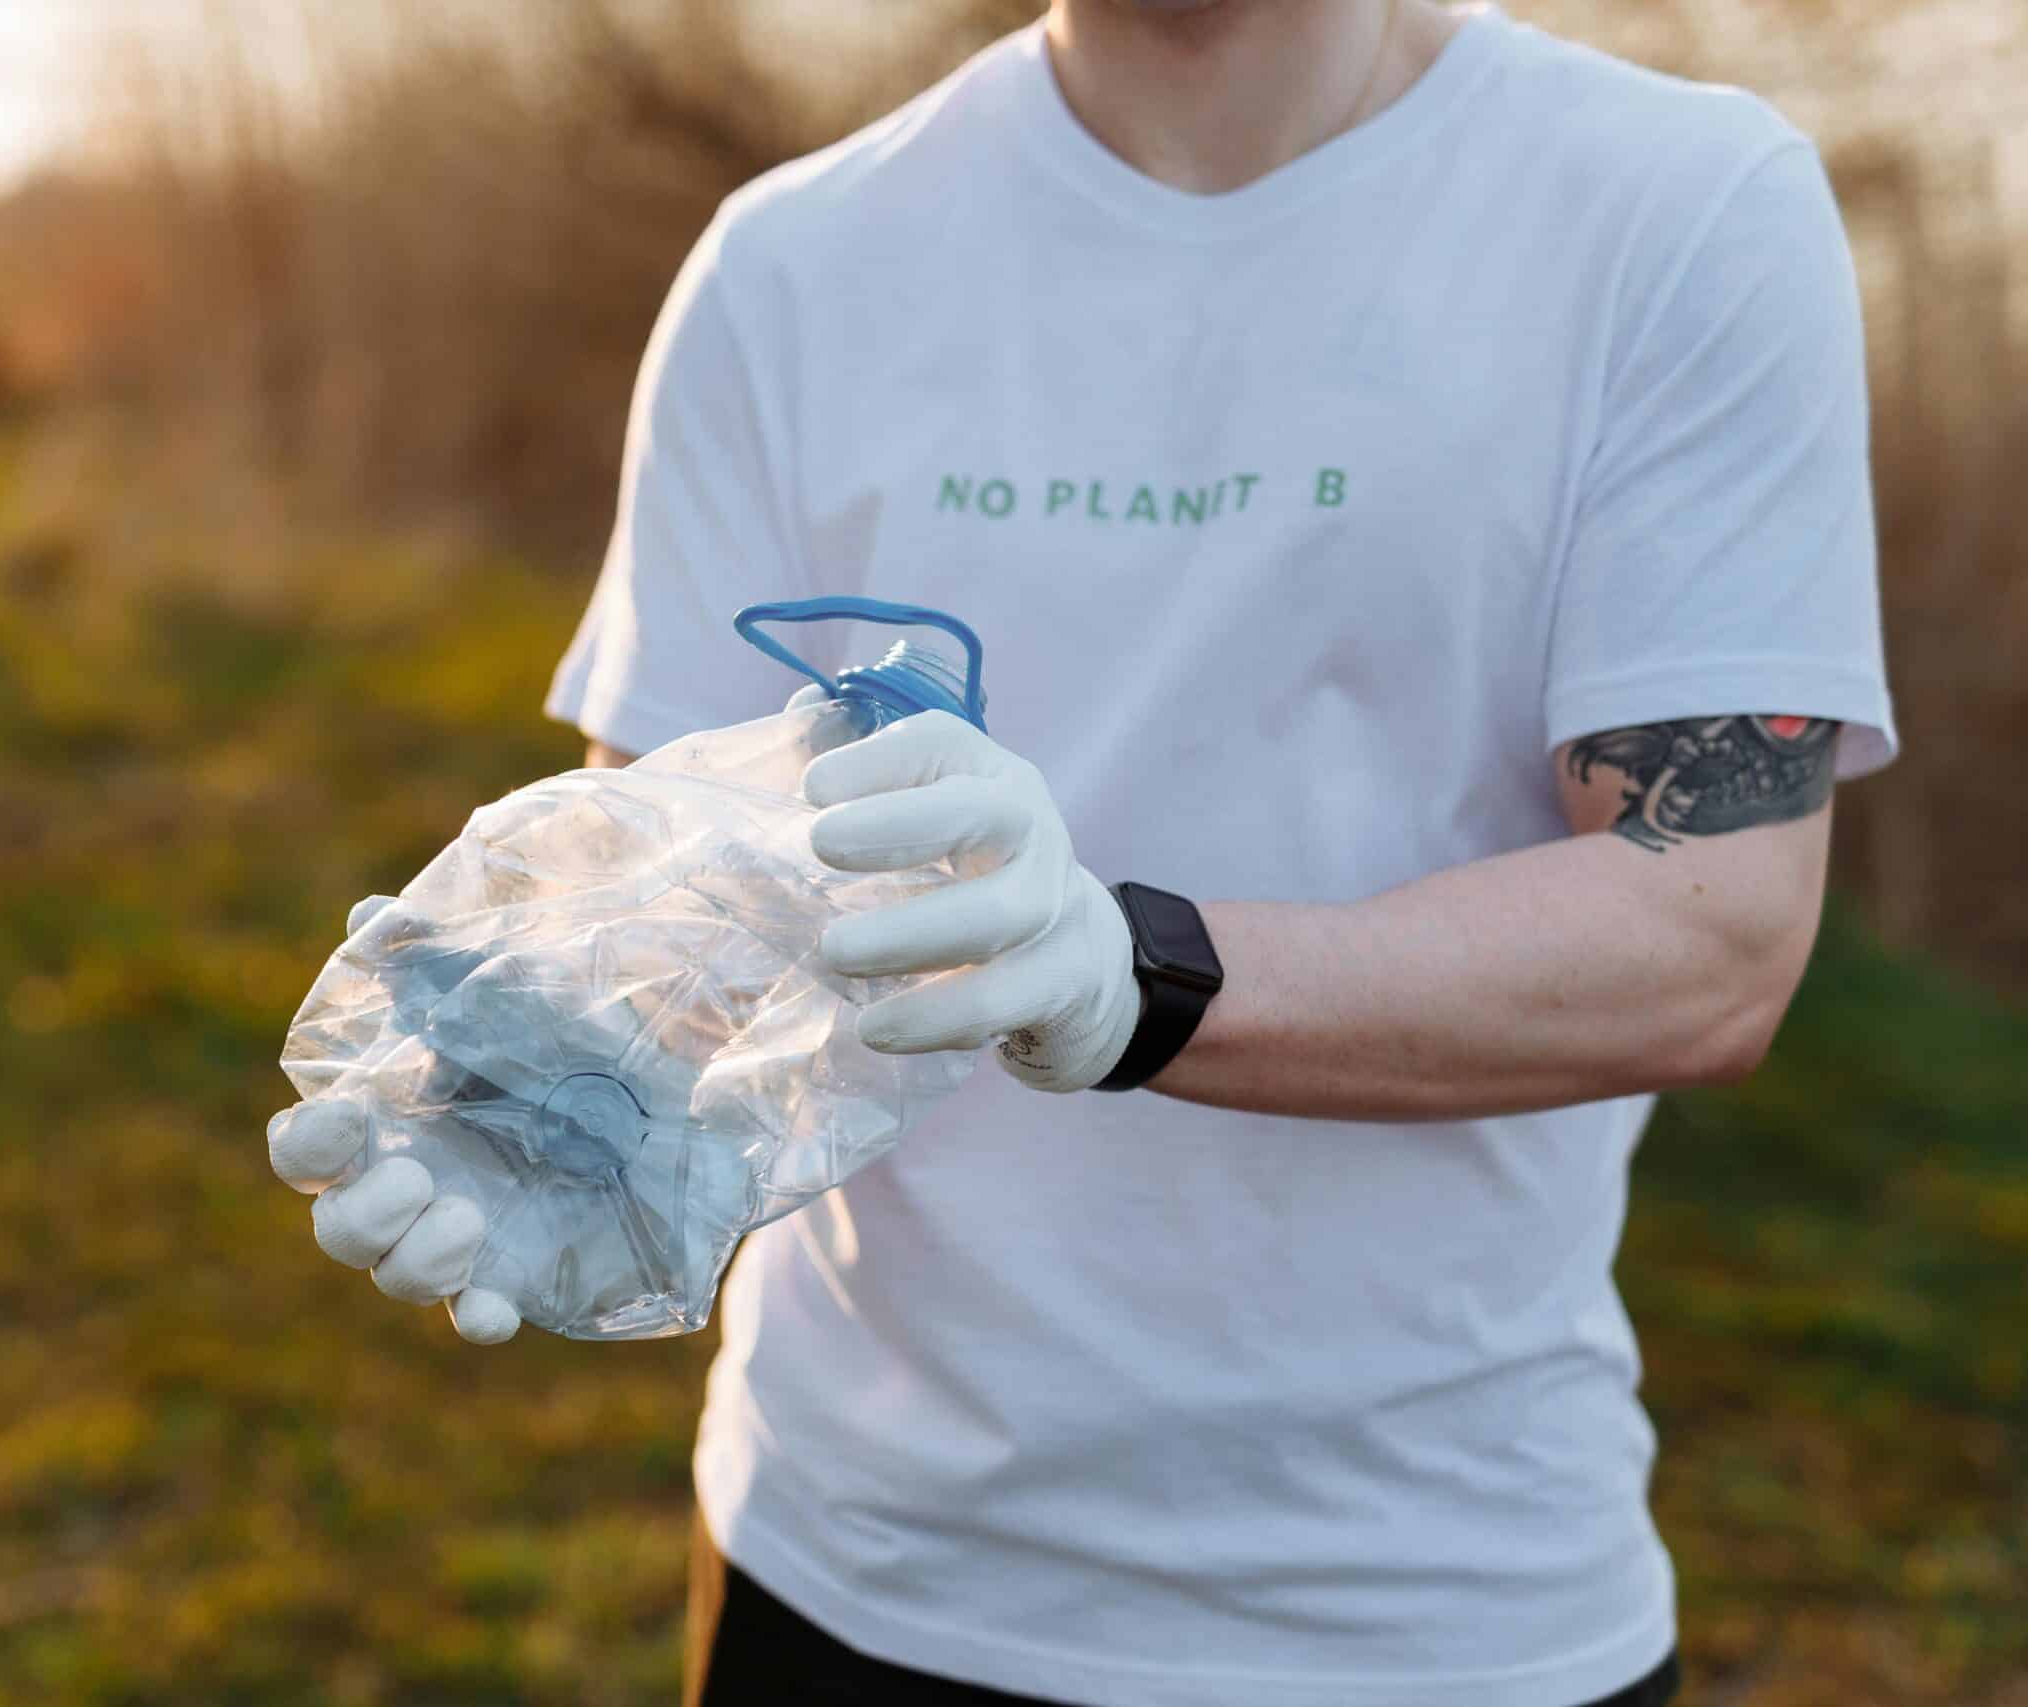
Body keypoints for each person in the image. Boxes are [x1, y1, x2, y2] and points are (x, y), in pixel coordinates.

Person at [266, 0, 1896, 1701]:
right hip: (856, 1571)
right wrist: (535, 1097)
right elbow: (667, 900)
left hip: (1440, 1605)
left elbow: (1710, 936)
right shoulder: (793, 265)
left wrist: (1138, 976)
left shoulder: (1673, 209)